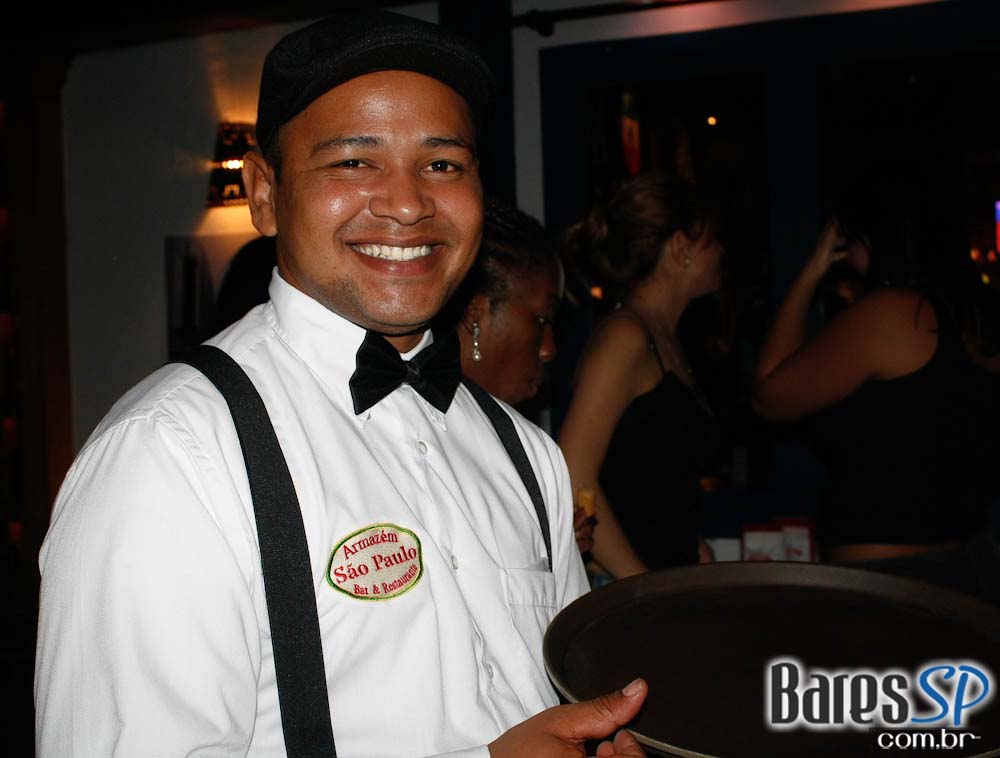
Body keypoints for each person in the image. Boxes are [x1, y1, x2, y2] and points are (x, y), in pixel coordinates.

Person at [34, 11, 648, 757]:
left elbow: (556, 700)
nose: (408, 203)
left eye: (443, 164)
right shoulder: (171, 454)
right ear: (264, 193)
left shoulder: (527, 455)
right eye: (354, 162)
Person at [752, 166, 1000, 604]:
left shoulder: (895, 316)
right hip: (967, 572)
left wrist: (811, 270)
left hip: (890, 583)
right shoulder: (974, 322)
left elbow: (769, 394)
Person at [558, 172, 724, 579]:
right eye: (713, 240)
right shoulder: (626, 337)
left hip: (662, 586)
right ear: (681, 247)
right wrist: (642, 585)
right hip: (626, 594)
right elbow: (573, 473)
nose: (723, 252)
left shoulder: (664, 339)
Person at [449, 196, 595, 557]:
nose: (549, 349)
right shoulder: (411, 432)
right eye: (541, 320)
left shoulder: (517, 446)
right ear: (476, 314)